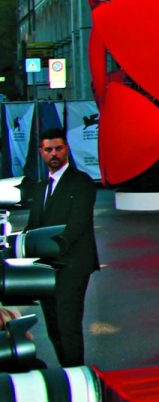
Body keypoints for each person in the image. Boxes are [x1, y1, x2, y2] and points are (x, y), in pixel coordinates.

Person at [22, 127, 97, 367]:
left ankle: (77, 377)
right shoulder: (42, 186)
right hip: (46, 269)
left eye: (58, 148)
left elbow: (78, 224)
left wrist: (50, 248)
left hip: (72, 266)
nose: (53, 153)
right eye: (48, 149)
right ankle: (67, 372)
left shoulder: (82, 182)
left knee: (68, 326)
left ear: (67, 149)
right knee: (54, 326)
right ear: (41, 152)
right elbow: (32, 227)